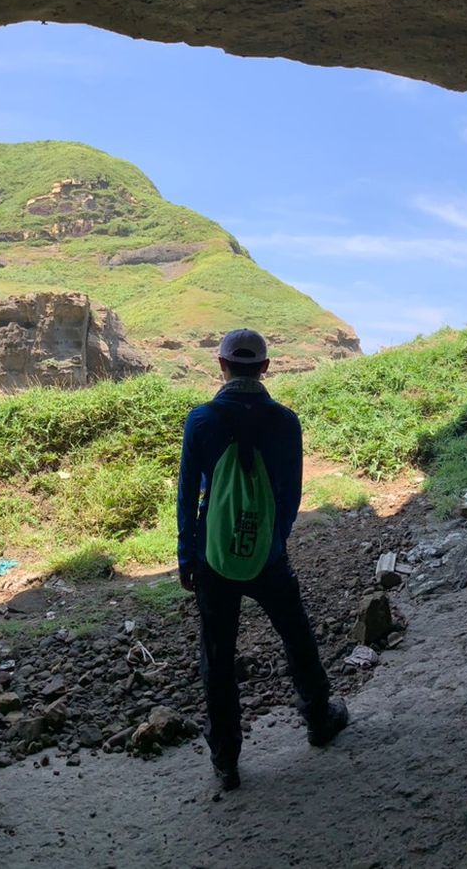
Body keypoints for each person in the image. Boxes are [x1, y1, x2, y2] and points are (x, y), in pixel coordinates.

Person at [177, 328, 349, 791]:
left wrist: (187, 555)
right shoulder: (285, 422)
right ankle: (318, 718)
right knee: (296, 634)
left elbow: (187, 496)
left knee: (218, 655)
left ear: (222, 365)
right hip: (269, 555)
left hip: (213, 558)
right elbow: (290, 494)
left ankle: (226, 761)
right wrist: (273, 542)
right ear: (266, 368)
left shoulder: (202, 420)